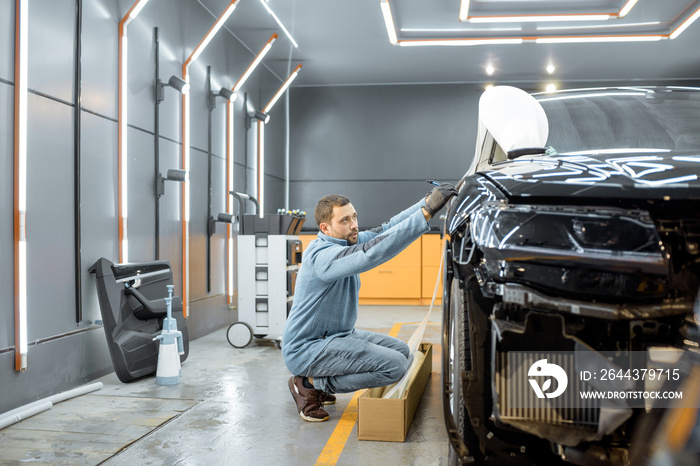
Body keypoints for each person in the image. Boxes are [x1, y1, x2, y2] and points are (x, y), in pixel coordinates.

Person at [282, 183, 457, 422]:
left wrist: (427, 205)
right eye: (344, 220)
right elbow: (370, 253)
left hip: (339, 335)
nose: (354, 225)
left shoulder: (346, 242)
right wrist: (425, 214)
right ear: (325, 227)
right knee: (394, 366)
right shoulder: (322, 256)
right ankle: (309, 383)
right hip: (307, 347)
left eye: (354, 217)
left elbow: (385, 230)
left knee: (403, 352)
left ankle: (318, 382)